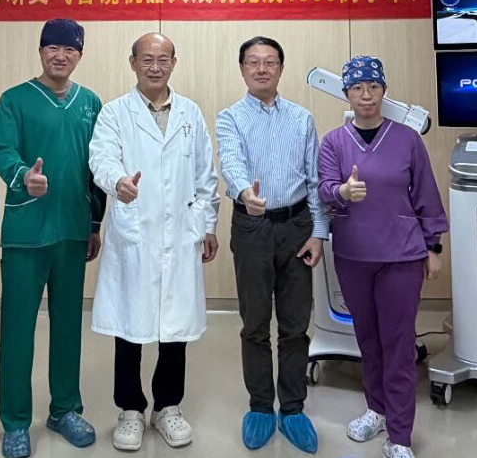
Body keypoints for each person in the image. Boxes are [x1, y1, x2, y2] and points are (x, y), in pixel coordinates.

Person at [88, 32, 220, 451]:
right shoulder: (115, 113)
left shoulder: (190, 113)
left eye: (163, 59)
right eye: (147, 59)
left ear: (173, 63)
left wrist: (207, 225)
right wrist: (118, 182)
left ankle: (167, 407)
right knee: (130, 325)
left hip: (180, 234)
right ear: (133, 63)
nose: (155, 66)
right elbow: (101, 158)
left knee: (174, 327)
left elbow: (205, 176)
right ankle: (130, 410)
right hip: (136, 232)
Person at [316, 56, 449, 458]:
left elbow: (426, 193)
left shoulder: (407, 139)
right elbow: (324, 190)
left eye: (373, 87)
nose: (366, 95)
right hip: (354, 255)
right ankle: (375, 409)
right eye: (358, 88)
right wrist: (342, 192)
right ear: (346, 94)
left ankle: (400, 435)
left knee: (399, 343)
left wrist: (433, 246)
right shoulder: (334, 142)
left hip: (401, 255)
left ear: (384, 91)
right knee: (368, 339)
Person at [0, 18, 106, 458]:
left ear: (80, 55)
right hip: (27, 232)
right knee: (17, 330)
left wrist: (93, 224)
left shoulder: (89, 103)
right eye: (52, 47)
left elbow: (98, 165)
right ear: (40, 52)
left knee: (68, 326)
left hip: (72, 231)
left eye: (69, 49)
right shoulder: (14, 100)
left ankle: (64, 409)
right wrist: (23, 177)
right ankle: (15, 422)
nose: (60, 55)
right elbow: (1, 149)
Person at [215, 36, 327, 454]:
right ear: (242, 69)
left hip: (297, 225)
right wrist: (246, 192)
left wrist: (318, 232)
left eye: (270, 62)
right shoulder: (230, 117)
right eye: (253, 62)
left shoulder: (302, 118)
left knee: (296, 324)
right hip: (252, 227)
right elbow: (231, 161)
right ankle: (261, 406)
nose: (261, 69)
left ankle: (293, 408)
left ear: (281, 68)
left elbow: (314, 180)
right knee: (255, 323)